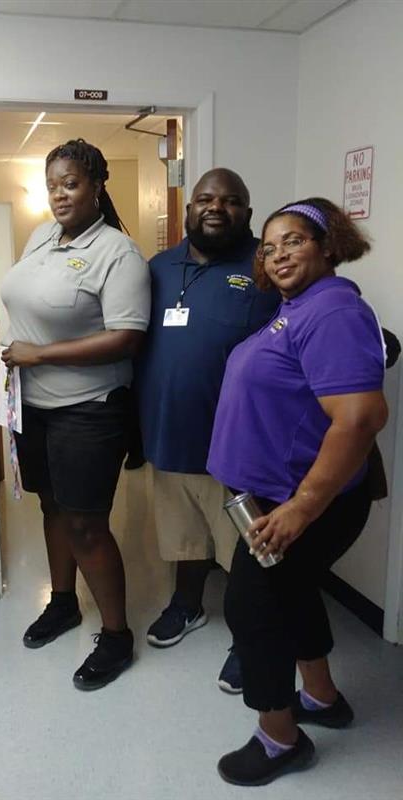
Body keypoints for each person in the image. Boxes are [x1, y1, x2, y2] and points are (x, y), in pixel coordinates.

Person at [207, 198, 388, 786]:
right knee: (294, 593)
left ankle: (280, 739)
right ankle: (322, 697)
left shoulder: (333, 311)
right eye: (268, 247)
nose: (278, 254)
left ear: (328, 245)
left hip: (296, 503)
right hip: (269, 495)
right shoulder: (299, 307)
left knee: (253, 609)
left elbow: (360, 418)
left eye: (294, 241)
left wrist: (301, 508)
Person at [0, 139, 150, 690]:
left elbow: (126, 338)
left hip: (89, 410)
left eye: (71, 183)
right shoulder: (42, 236)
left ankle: (116, 634)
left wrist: (38, 354)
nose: (59, 194)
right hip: (33, 405)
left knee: (86, 523)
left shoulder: (118, 253)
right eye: (52, 185)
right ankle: (63, 602)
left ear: (96, 186)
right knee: (52, 508)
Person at [135, 169, 279, 690]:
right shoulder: (157, 268)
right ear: (189, 208)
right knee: (184, 535)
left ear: (248, 213)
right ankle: (187, 604)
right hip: (169, 431)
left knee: (246, 550)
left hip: (238, 444)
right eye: (206, 199)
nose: (217, 208)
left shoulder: (266, 266)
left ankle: (252, 639)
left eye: (232, 201)